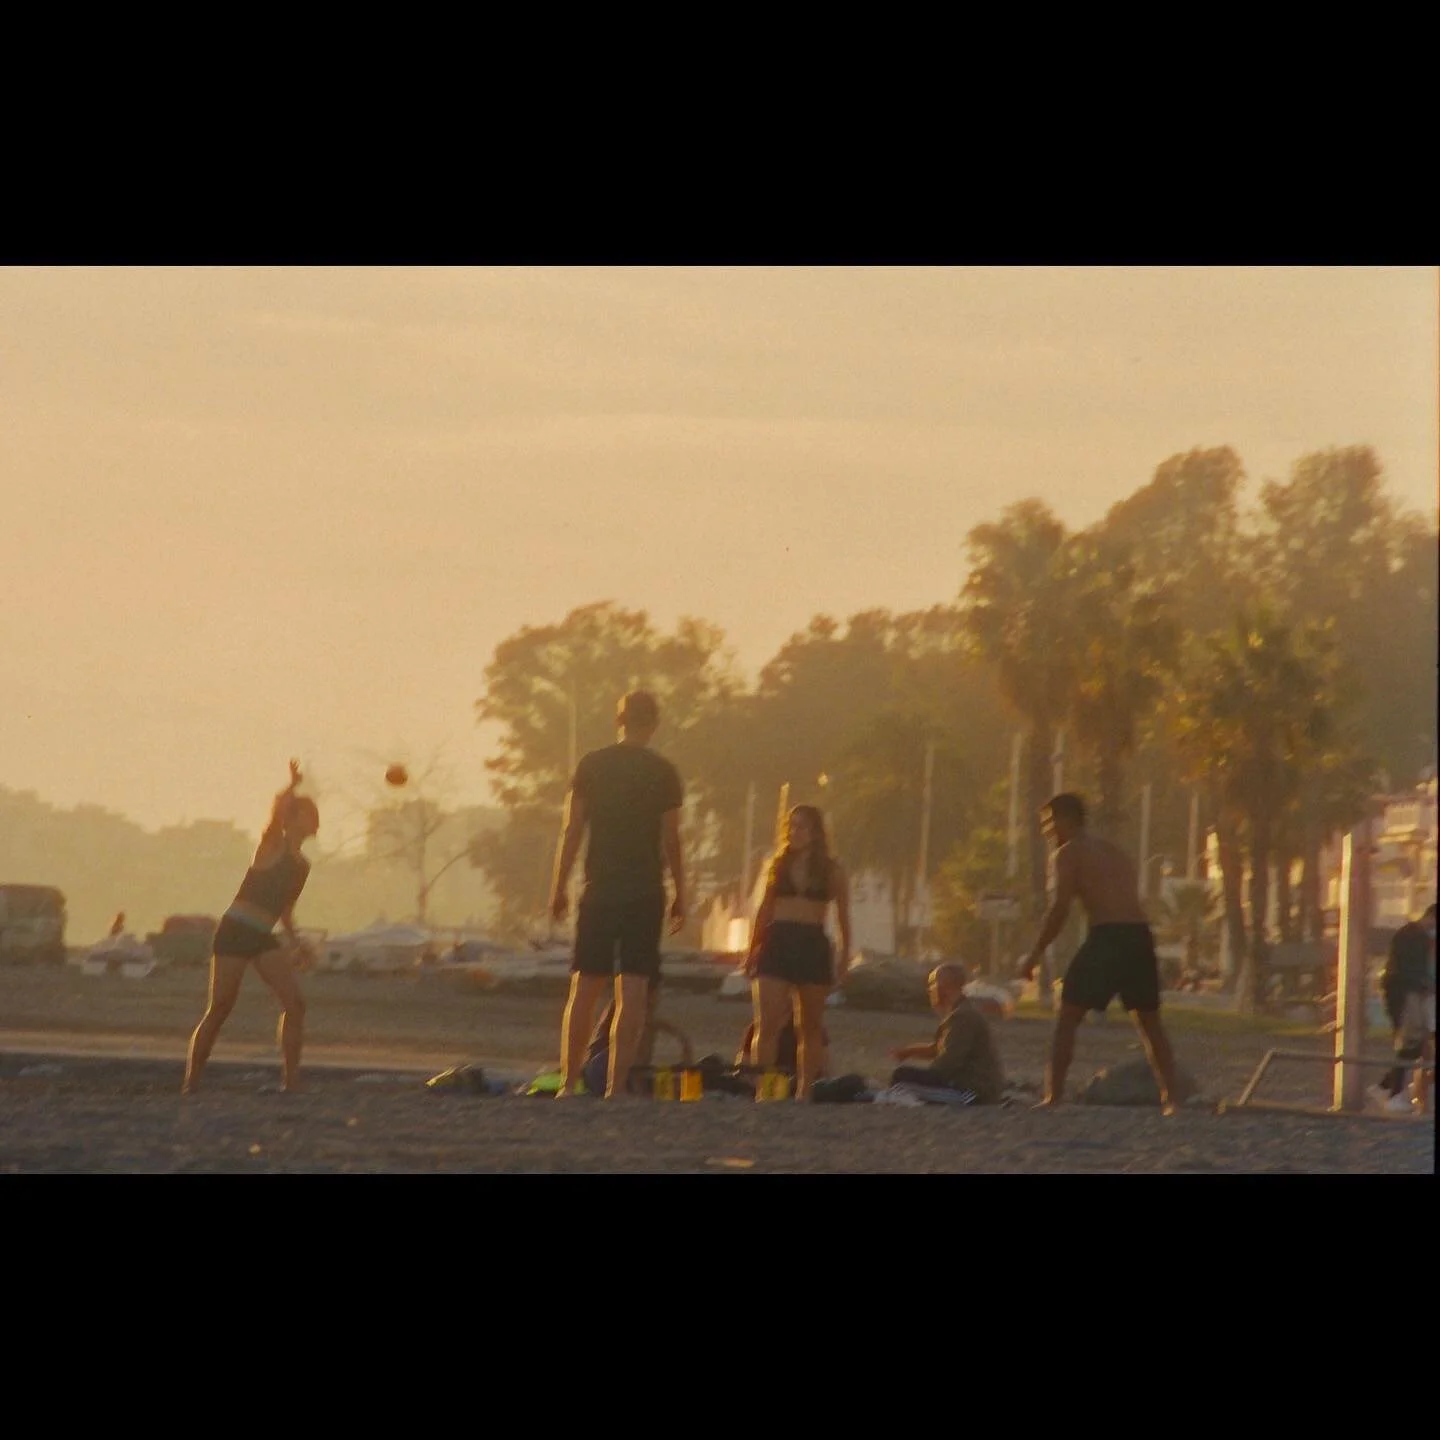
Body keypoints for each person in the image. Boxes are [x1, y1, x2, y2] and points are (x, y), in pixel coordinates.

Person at [549, 690, 686, 1099]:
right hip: (644, 891)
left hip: (600, 889)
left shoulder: (591, 765)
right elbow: (672, 838)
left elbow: (572, 829)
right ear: (654, 724)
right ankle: (615, 1085)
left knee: (585, 987)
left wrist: (559, 886)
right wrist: (681, 891)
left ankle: (568, 1083)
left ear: (619, 721)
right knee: (633, 991)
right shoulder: (663, 772)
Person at [1018, 792, 1183, 1114]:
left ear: (1066, 819)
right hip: (1139, 936)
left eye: (1049, 823)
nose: (1047, 832)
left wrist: (1035, 954)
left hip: (1109, 936)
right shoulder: (1114, 851)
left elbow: (1060, 908)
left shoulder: (1068, 853)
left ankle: (1054, 1097)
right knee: (1150, 1022)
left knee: (1067, 1016)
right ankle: (1172, 1099)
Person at [182, 761, 318, 1095]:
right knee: (220, 1008)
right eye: (308, 814)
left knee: (295, 1004)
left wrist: (297, 943)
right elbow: (275, 813)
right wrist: (292, 785)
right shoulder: (272, 845)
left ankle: (291, 1083)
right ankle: (192, 1083)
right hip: (235, 930)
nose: (314, 820)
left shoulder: (302, 866)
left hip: (262, 936)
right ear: (293, 818)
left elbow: (285, 911)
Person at [744, 804, 852, 1101]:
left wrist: (845, 956)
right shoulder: (777, 865)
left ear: (816, 832)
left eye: (802, 826)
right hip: (778, 939)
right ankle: (765, 1090)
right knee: (767, 1022)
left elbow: (843, 916)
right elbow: (764, 909)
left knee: (809, 1025)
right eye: (791, 826)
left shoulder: (832, 870)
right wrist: (752, 948)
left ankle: (805, 1091)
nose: (795, 832)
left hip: (812, 942)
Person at [888, 962, 1005, 1103]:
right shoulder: (962, 1012)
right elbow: (939, 1049)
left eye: (933, 985)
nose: (930, 990)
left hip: (972, 1091)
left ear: (944, 986)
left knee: (901, 1081)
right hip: (976, 1088)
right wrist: (908, 1053)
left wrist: (928, 1077)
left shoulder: (962, 1016)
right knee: (904, 1080)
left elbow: (949, 1061)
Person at [582, 972, 693, 1096]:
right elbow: (636, 1058)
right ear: (650, 992)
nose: (658, 997)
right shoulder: (635, 1013)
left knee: (671, 1078)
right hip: (604, 1070)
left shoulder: (625, 1006)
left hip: (596, 1071)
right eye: (658, 991)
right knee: (672, 1082)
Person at [1372, 902, 1436, 1114]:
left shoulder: (1413, 935)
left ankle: (1387, 1088)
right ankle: (1392, 1092)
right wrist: (1425, 984)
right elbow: (1410, 970)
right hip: (1407, 993)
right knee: (1411, 1043)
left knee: (1414, 1044)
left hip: (1409, 993)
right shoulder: (1414, 937)